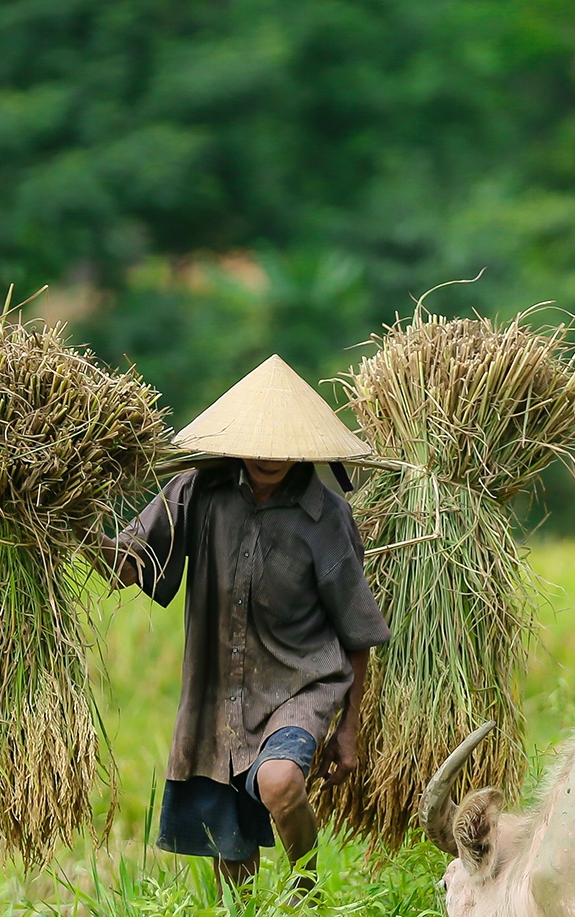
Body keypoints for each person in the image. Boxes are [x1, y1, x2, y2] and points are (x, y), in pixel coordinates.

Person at [99, 355, 390, 886]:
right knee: (232, 860)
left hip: (302, 685)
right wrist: (62, 521)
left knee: (280, 783)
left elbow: (357, 631)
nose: (267, 458)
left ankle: (307, 891)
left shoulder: (324, 517)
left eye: (280, 447)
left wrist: (349, 730)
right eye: (256, 444)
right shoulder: (195, 494)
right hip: (218, 700)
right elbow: (128, 564)